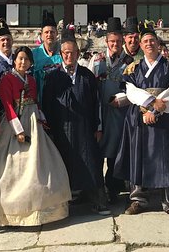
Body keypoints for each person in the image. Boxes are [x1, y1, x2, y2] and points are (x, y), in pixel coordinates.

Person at [0, 46, 72, 226]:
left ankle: (43, 208)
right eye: (20, 58)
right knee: (14, 166)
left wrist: (41, 119)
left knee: (40, 163)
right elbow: (8, 106)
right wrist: (18, 130)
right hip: (15, 123)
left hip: (33, 121)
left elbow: (36, 102)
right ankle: (13, 212)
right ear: (14, 60)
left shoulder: (32, 80)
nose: (23, 62)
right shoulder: (7, 80)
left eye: (26, 59)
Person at [114, 21, 169, 215]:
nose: (149, 44)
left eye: (152, 40)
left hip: (164, 117)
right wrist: (149, 104)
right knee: (138, 155)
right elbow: (130, 90)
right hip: (138, 117)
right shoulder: (133, 67)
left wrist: (155, 111)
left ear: (158, 43)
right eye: (145, 41)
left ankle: (168, 200)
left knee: (166, 156)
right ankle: (138, 199)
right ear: (141, 44)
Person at [42, 30, 110, 215]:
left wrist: (98, 127)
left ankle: (98, 200)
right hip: (62, 128)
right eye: (65, 53)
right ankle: (67, 200)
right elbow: (47, 106)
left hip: (85, 127)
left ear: (78, 54)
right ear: (61, 55)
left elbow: (97, 103)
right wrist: (50, 130)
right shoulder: (52, 76)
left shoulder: (87, 76)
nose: (69, 56)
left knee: (91, 163)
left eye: (72, 52)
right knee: (64, 163)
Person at [90, 17, 132, 203]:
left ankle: (113, 188)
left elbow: (134, 88)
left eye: (118, 41)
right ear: (106, 41)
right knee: (98, 151)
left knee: (117, 152)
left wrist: (122, 99)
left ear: (123, 41)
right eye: (111, 41)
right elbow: (90, 87)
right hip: (100, 112)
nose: (115, 44)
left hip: (121, 113)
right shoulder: (97, 60)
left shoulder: (130, 62)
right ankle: (97, 188)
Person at [32, 10, 62, 103]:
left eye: (52, 32)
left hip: (61, 100)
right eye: (46, 32)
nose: (49, 35)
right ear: (41, 35)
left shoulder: (64, 52)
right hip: (40, 101)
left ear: (57, 34)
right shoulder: (34, 54)